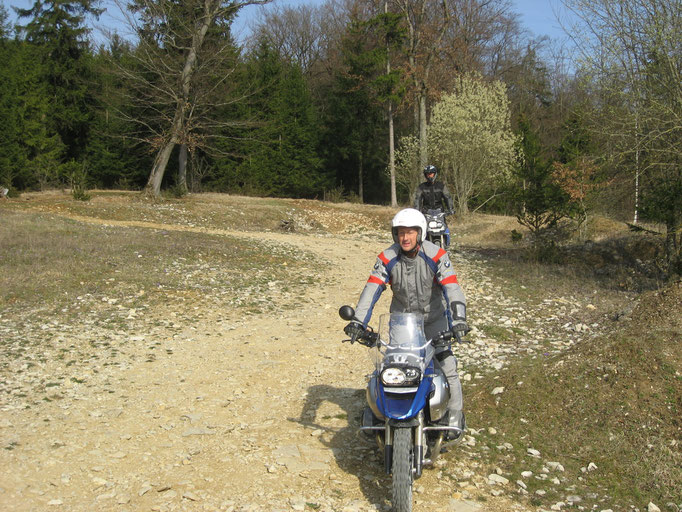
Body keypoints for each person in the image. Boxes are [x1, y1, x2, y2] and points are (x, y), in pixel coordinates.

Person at [344, 208, 468, 438]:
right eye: (401, 232)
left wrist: (459, 319)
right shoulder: (387, 258)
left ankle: (453, 416)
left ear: (420, 233)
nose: (405, 238)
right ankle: (387, 415)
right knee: (393, 367)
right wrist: (358, 322)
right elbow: (371, 289)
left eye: (410, 232)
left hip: (434, 320)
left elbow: (452, 288)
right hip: (402, 321)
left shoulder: (437, 256)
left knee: (446, 365)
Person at [413, 165, 455, 247]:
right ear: (425, 175)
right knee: (423, 230)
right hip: (426, 212)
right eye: (428, 174)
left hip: (439, 211)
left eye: (431, 173)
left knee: (445, 228)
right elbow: (417, 199)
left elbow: (448, 197)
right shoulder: (421, 187)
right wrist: (417, 211)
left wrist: (451, 209)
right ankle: (422, 247)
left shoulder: (441, 186)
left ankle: (447, 246)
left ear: (435, 174)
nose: (429, 176)